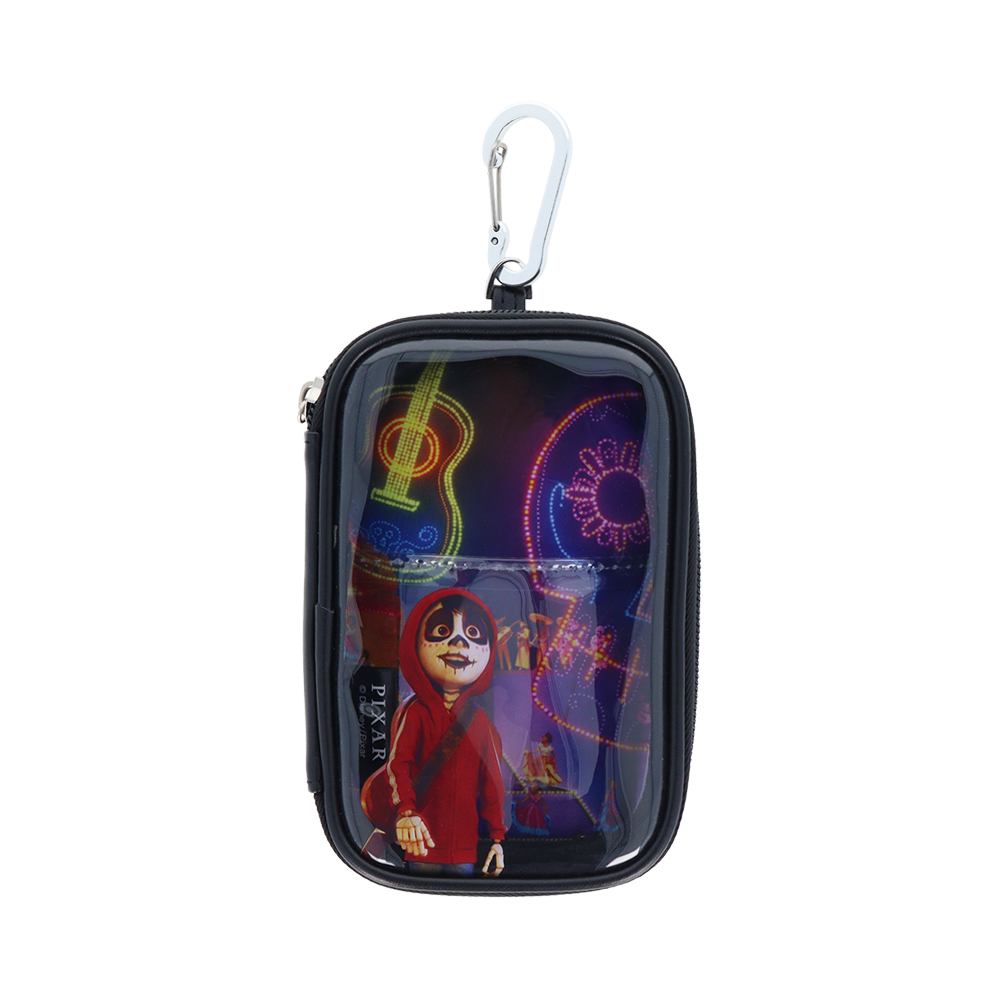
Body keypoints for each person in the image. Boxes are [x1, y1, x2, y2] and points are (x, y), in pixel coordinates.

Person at [384, 589, 506, 876]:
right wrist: (406, 811)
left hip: (464, 845)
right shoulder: (416, 712)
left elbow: (492, 781)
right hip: (419, 838)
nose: (459, 642)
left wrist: (497, 838)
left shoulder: (479, 721)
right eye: (441, 630)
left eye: (473, 633)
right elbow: (398, 765)